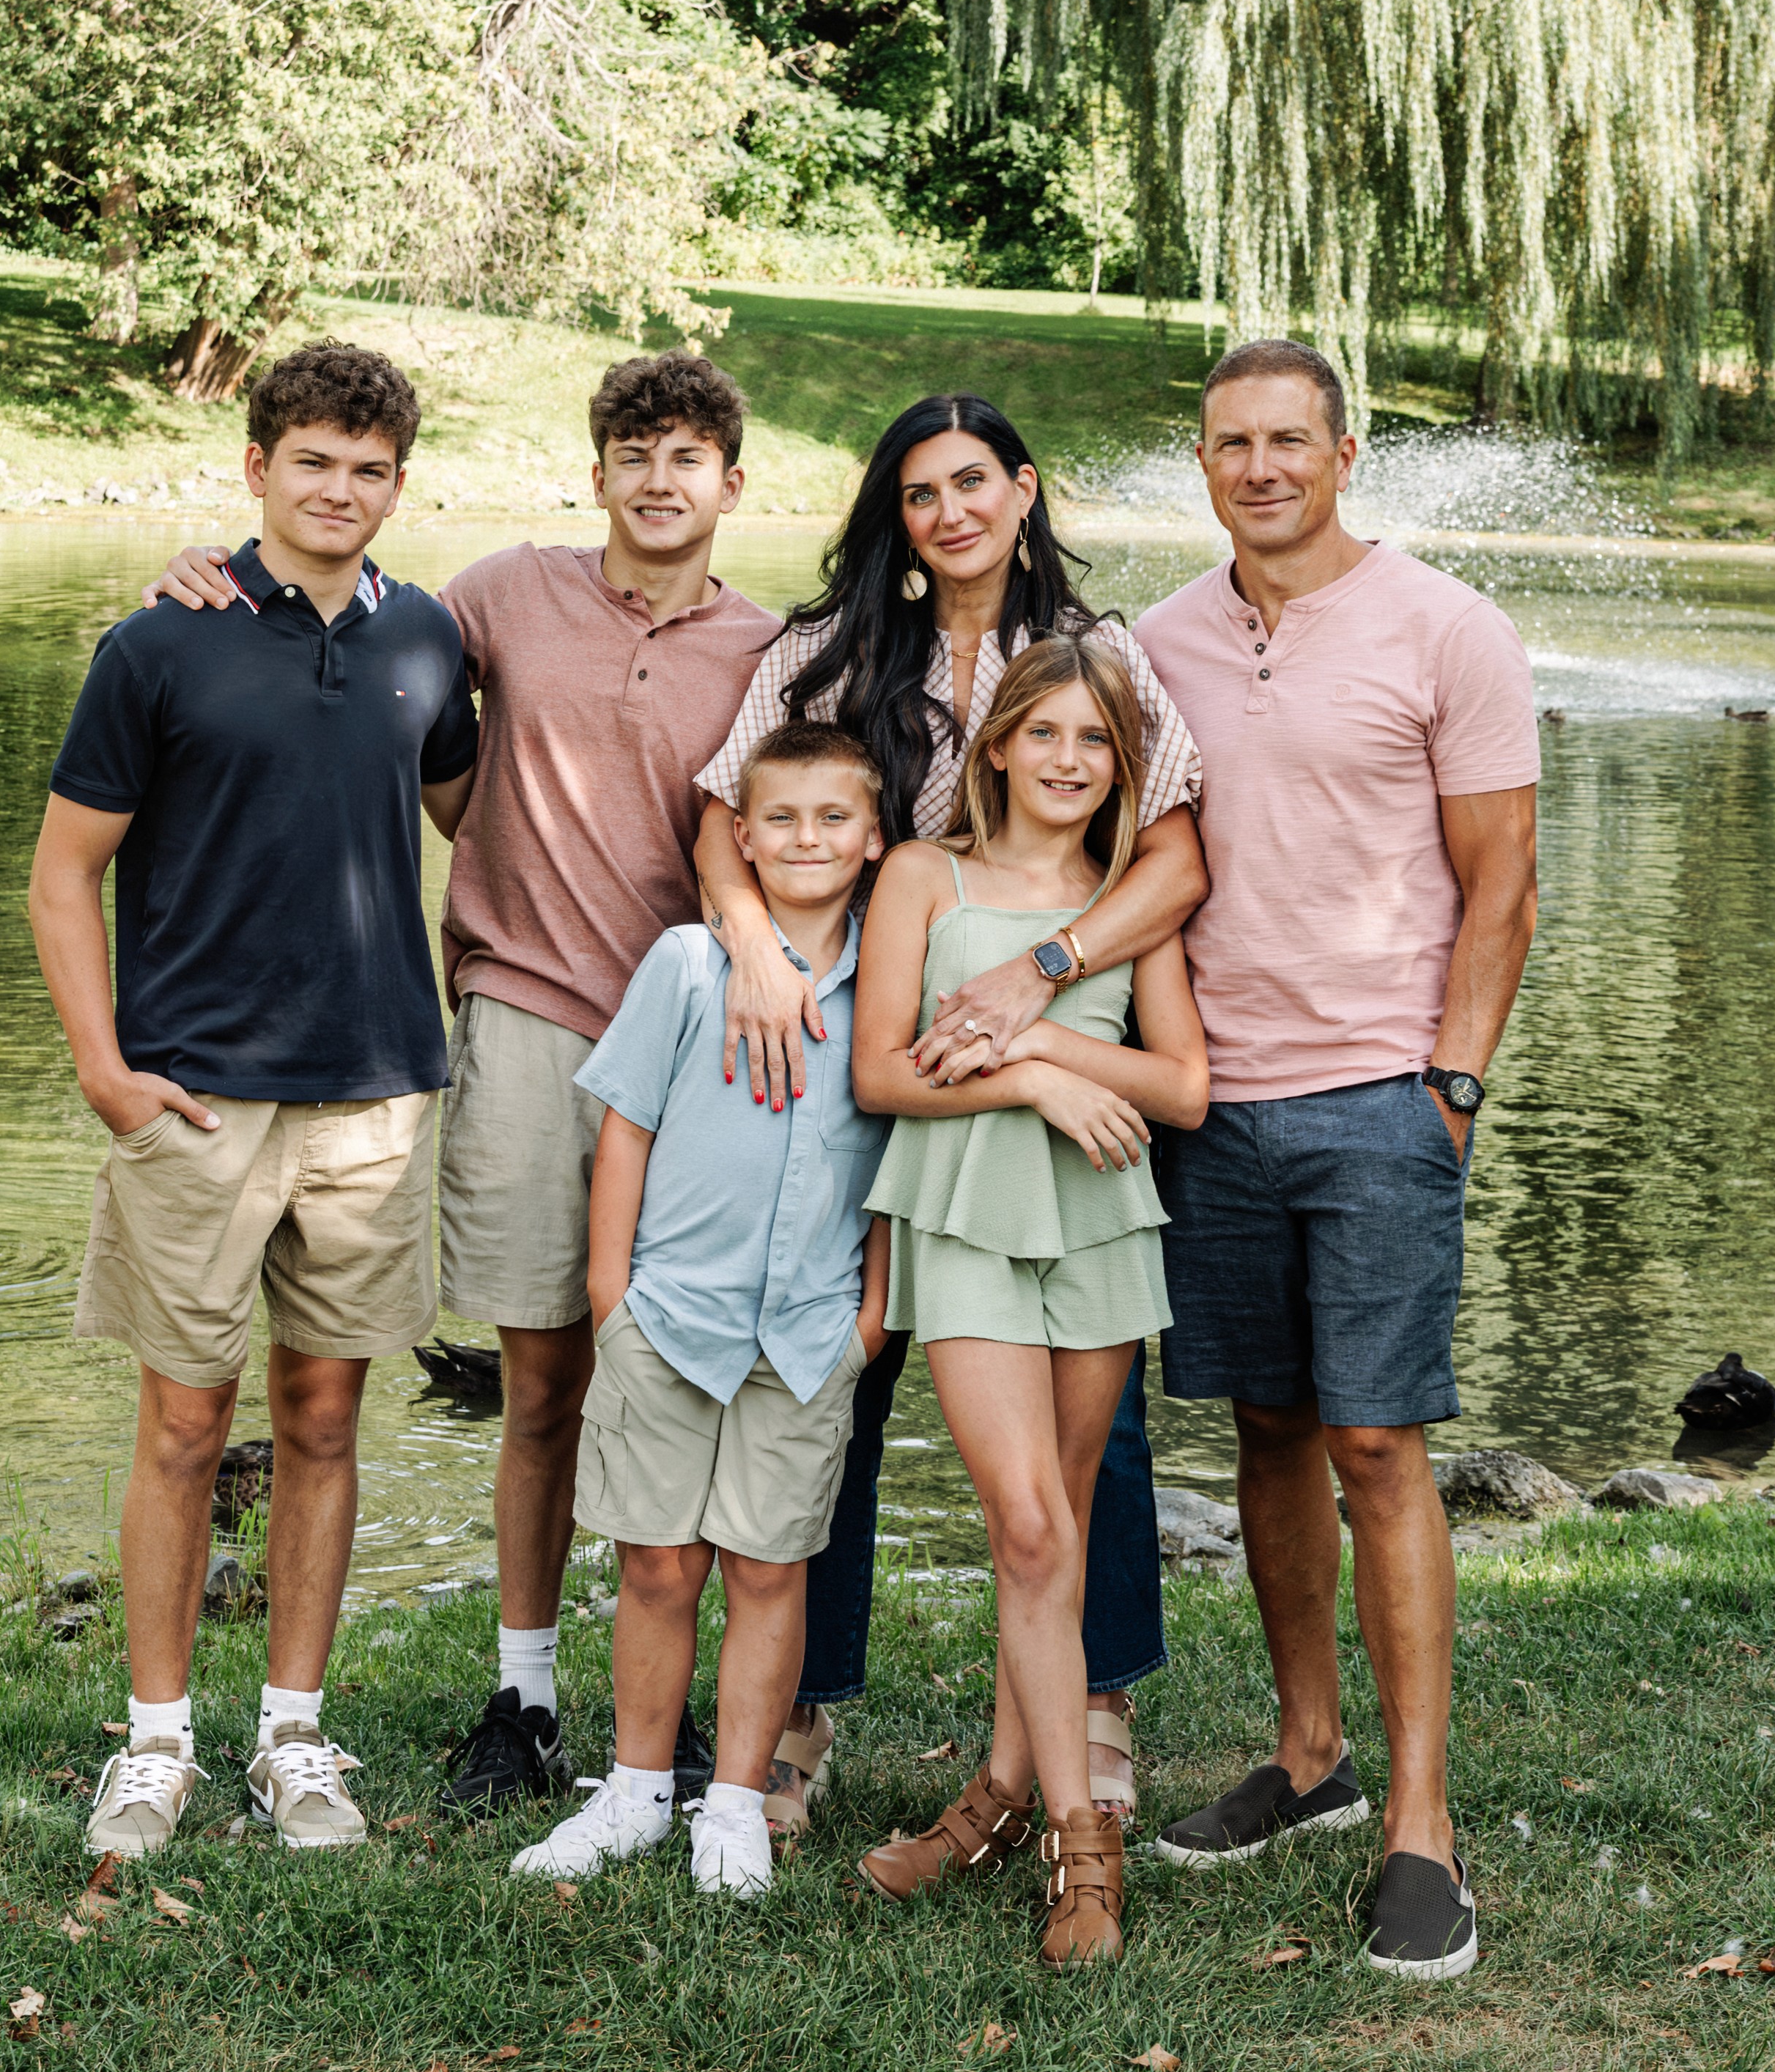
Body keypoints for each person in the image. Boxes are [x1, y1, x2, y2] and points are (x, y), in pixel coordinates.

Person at [137, 355, 783, 1820]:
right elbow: (346, 618)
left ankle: (663, 1695)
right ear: (597, 472)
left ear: (730, 484)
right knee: (542, 1373)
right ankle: (528, 1692)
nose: (658, 478)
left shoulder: (770, 647)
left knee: (673, 1374)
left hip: (695, 1042)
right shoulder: (500, 595)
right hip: (524, 1015)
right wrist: (201, 578)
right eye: (631, 452)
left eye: (687, 455)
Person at [689, 391, 1208, 1838]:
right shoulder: (827, 652)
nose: (949, 512)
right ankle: (797, 1693)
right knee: (825, 1367)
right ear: (894, 516)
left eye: (972, 482)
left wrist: (1046, 985)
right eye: (919, 493)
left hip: (1034, 1064)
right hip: (848, 1051)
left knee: (1080, 1422)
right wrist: (742, 935)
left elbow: (1168, 863)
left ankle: (1087, 1696)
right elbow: (721, 816)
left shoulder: (1102, 661)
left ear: (1022, 489)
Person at [29, 342, 479, 1858]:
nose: (340, 491)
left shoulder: (426, 639)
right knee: (178, 1420)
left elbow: (473, 814)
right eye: (313, 463)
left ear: (396, 485)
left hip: (371, 1097)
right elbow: (61, 874)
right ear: (256, 469)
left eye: (368, 470)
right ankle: (155, 1744)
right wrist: (105, 1069)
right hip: (196, 1096)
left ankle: (294, 1732)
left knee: (323, 1414)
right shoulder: (160, 643)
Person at [1133, 340, 1542, 1982]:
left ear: (1345, 452)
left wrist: (1449, 1080)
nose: (1258, 466)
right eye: (1229, 440)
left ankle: (1420, 1828)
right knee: (1266, 1427)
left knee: (1378, 1447)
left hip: (1380, 1096)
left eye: (1288, 439)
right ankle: (1309, 1757)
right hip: (1212, 1104)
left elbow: (1499, 880)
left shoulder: (1448, 629)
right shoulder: (1158, 640)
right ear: (1203, 458)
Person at [848, 638, 1206, 1966]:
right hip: (973, 1224)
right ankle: (1082, 1847)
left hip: (1102, 1229)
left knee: (1044, 1540)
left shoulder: (1128, 901)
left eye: (1096, 744)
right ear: (995, 744)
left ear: (1123, 769)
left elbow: (1184, 1089)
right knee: (1033, 1525)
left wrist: (1050, 1033)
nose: (1068, 762)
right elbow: (883, 1074)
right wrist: (1036, 1086)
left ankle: (995, 1796)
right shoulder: (922, 879)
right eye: (1044, 734)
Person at [503, 721, 893, 1897]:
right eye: (780, 818)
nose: (807, 838)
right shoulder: (685, 962)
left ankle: (733, 1799)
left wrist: (874, 1319)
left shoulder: (892, 980)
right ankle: (633, 1789)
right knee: (660, 1565)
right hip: (668, 1316)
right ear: (742, 836)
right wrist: (610, 1295)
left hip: (812, 1328)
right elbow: (625, 1130)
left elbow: (900, 1156)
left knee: (770, 1569)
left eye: (834, 818)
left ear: (875, 840)